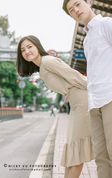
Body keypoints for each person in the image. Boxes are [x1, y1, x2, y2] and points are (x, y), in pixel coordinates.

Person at [62, 0, 112, 178]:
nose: (76, 10)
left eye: (78, 5)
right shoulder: (87, 40)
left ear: (89, 2)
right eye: (71, 10)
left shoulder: (107, 24)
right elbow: (96, 71)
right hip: (95, 102)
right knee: (101, 157)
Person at [17, 35, 94, 178]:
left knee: (77, 153)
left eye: (29, 46)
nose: (27, 51)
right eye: (23, 50)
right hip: (77, 104)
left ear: (37, 46)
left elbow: (75, 76)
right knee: (72, 153)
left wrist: (105, 89)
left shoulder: (47, 61)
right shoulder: (42, 68)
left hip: (83, 103)